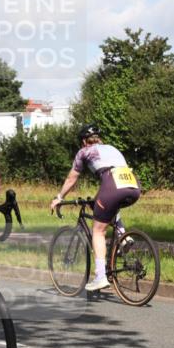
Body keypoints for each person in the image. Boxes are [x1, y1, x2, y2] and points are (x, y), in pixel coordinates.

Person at [49, 124, 141, 291]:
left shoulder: (84, 151)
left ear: (84, 141)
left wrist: (59, 198)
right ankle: (124, 237)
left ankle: (100, 277)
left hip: (112, 184)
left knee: (98, 231)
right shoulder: (112, 148)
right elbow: (114, 176)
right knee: (111, 207)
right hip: (133, 185)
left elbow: (72, 178)